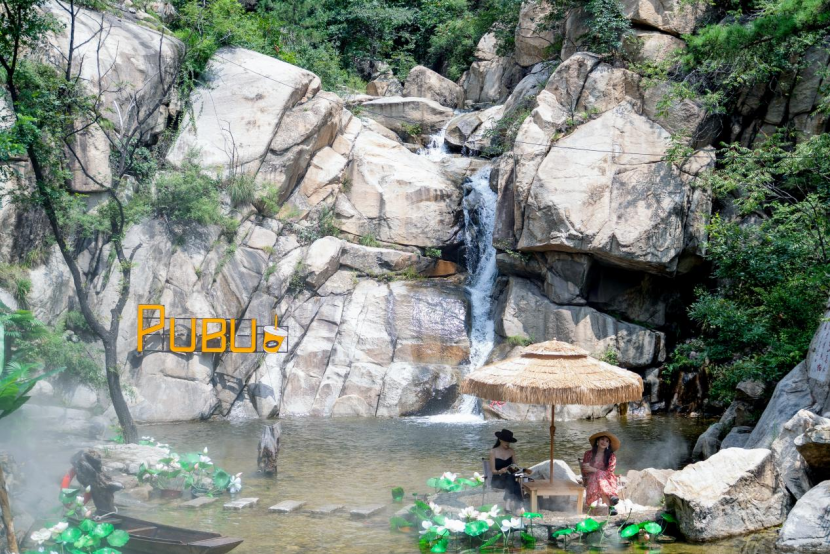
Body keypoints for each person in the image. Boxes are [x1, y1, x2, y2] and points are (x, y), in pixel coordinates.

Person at [489, 429, 532, 513]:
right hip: (498, 479)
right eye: (506, 441)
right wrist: (500, 471)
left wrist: (524, 470)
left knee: (511, 477)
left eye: (509, 441)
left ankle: (508, 505)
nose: (508, 443)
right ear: (500, 440)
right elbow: (493, 471)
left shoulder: (511, 451)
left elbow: (516, 468)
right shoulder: (493, 452)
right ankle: (518, 506)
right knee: (513, 479)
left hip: (509, 478)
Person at [581, 431, 620, 515]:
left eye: (607, 441)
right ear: (597, 441)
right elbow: (584, 469)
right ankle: (611, 502)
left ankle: (610, 503)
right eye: (602, 439)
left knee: (599, 476)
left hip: (607, 478)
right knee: (597, 476)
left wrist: (595, 470)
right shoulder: (588, 454)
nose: (604, 442)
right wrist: (588, 468)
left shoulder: (611, 456)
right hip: (591, 478)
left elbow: (610, 471)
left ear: (608, 444)